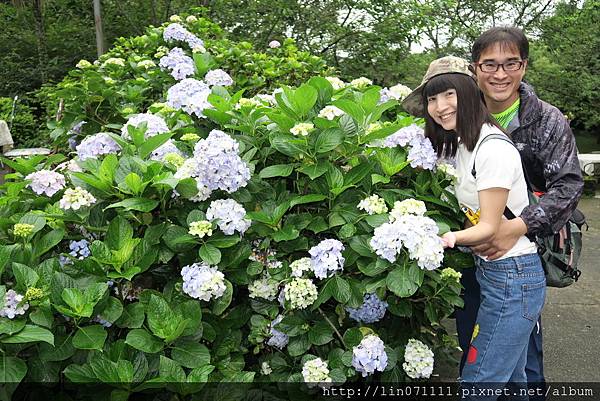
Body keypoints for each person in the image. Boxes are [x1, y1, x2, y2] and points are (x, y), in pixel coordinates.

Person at [403, 55, 546, 400]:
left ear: (468, 93)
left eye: (448, 94)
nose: (439, 106)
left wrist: (445, 238)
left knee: (478, 382)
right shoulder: (461, 144)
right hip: (495, 273)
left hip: (514, 278)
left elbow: (487, 229)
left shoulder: (492, 147)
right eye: (432, 99)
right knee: (512, 383)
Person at [456, 27, 584, 400]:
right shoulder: (461, 116)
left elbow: (569, 185)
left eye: (511, 64)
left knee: (524, 356)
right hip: (471, 252)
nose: (500, 74)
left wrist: (519, 226)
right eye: (490, 64)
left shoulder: (546, 119)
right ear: (474, 68)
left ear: (524, 66)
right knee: (476, 345)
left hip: (521, 254)